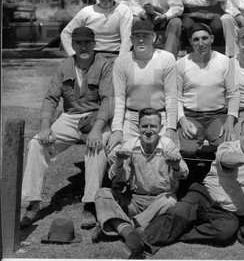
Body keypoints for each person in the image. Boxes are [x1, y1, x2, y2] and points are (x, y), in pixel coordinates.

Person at [137, 118, 244, 255]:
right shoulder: (228, 146)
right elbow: (226, 160)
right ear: (241, 135)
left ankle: (180, 233)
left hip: (228, 214)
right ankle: (142, 241)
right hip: (204, 195)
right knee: (180, 212)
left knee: (225, 232)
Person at [20, 27, 113, 230]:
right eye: (79, 43)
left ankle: (90, 203)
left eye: (87, 42)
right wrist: (45, 126)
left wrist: (98, 129)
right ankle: (33, 203)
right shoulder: (65, 65)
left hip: (96, 117)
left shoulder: (104, 65)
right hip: (70, 117)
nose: (83, 47)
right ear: (73, 45)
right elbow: (51, 97)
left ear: (94, 43)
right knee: (37, 144)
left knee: (96, 147)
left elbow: (108, 100)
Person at [93, 108, 188, 256]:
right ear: (138, 127)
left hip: (159, 202)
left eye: (153, 126)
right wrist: (119, 163)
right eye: (144, 126)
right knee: (102, 194)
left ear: (161, 128)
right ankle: (131, 232)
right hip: (134, 201)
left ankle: (120, 225)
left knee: (171, 202)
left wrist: (176, 166)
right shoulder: (130, 145)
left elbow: (185, 173)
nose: (149, 131)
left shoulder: (168, 145)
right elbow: (118, 180)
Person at [176, 23, 239, 178]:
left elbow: (233, 94)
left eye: (204, 38)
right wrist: (182, 120)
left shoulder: (225, 61)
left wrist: (230, 121)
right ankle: (191, 181)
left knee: (227, 146)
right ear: (190, 42)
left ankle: (222, 181)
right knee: (188, 150)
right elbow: (175, 97)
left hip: (217, 116)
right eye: (196, 39)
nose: (201, 43)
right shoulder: (181, 64)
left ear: (212, 39)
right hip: (191, 116)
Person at [108, 21, 178, 152]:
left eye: (145, 36)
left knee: (166, 153)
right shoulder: (121, 62)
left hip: (159, 116)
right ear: (131, 39)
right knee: (119, 154)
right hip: (131, 117)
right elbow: (119, 98)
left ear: (154, 37)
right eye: (136, 36)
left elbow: (171, 96)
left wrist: (171, 128)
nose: (141, 40)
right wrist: (117, 129)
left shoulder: (167, 59)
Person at [61, 0, 133, 62]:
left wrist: (121, 61)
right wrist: (73, 56)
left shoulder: (124, 10)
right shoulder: (87, 12)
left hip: (115, 56)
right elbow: (66, 33)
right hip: (91, 58)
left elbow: (127, 39)